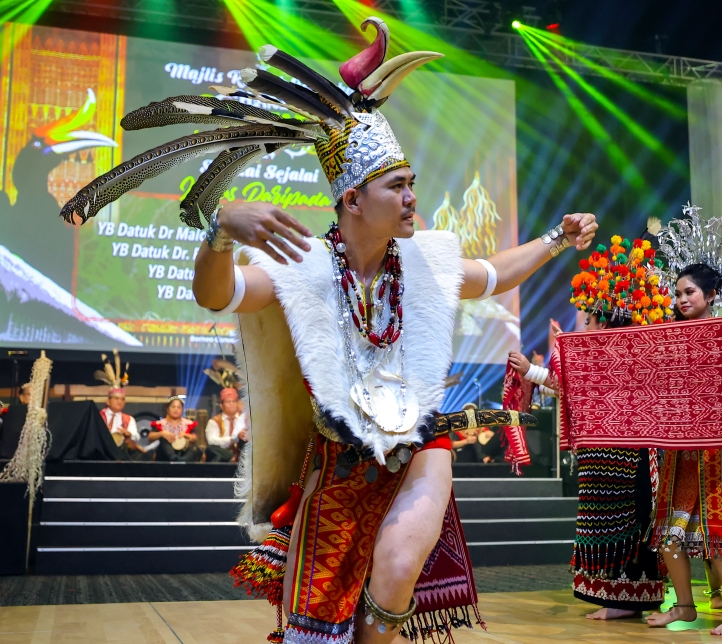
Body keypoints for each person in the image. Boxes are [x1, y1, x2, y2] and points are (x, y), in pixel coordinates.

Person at [57, 18, 598, 642]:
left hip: (421, 445)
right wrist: (221, 229)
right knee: (320, 620)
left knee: (395, 568)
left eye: (412, 184)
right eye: (397, 186)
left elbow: (493, 274)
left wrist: (557, 238)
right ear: (352, 199)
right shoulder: (305, 268)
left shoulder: (425, 259)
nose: (412, 198)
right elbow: (217, 293)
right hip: (339, 458)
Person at [515, 234, 666, 621]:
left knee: (631, 522)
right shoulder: (592, 354)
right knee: (607, 522)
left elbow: (566, 380)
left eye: (588, 318)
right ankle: (616, 597)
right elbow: (568, 383)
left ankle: (627, 598)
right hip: (601, 452)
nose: (584, 324)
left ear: (603, 318)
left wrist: (533, 369)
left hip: (628, 454)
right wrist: (531, 369)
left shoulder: (628, 349)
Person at [644, 264, 722, 636]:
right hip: (680, 451)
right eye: (679, 294)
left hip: (717, 453)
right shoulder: (668, 336)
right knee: (669, 536)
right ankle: (684, 606)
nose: (682, 300)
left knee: (719, 537)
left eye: (690, 293)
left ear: (712, 295)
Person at [94, 349, 142, 459]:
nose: (119, 402)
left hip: (122, 450)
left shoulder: (128, 419)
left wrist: (129, 434)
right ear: (108, 401)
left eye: (122, 399)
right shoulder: (98, 416)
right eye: (116, 398)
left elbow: (136, 436)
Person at [149, 396, 201, 463]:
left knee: (196, 449)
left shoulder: (188, 423)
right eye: (173, 407)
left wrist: (186, 435)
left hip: (183, 452)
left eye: (179, 407)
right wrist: (162, 433)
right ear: (167, 409)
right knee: (163, 440)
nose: (176, 409)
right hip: (165, 456)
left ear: (182, 410)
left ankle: (182, 460)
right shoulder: (161, 423)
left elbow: (194, 438)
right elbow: (150, 437)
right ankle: (173, 458)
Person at [205, 386, 246, 463]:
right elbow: (211, 440)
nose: (231, 404)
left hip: (240, 452)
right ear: (221, 405)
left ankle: (235, 458)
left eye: (234, 401)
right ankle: (231, 458)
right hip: (222, 452)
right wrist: (231, 440)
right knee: (211, 449)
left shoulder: (243, 419)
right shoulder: (214, 421)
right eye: (228, 402)